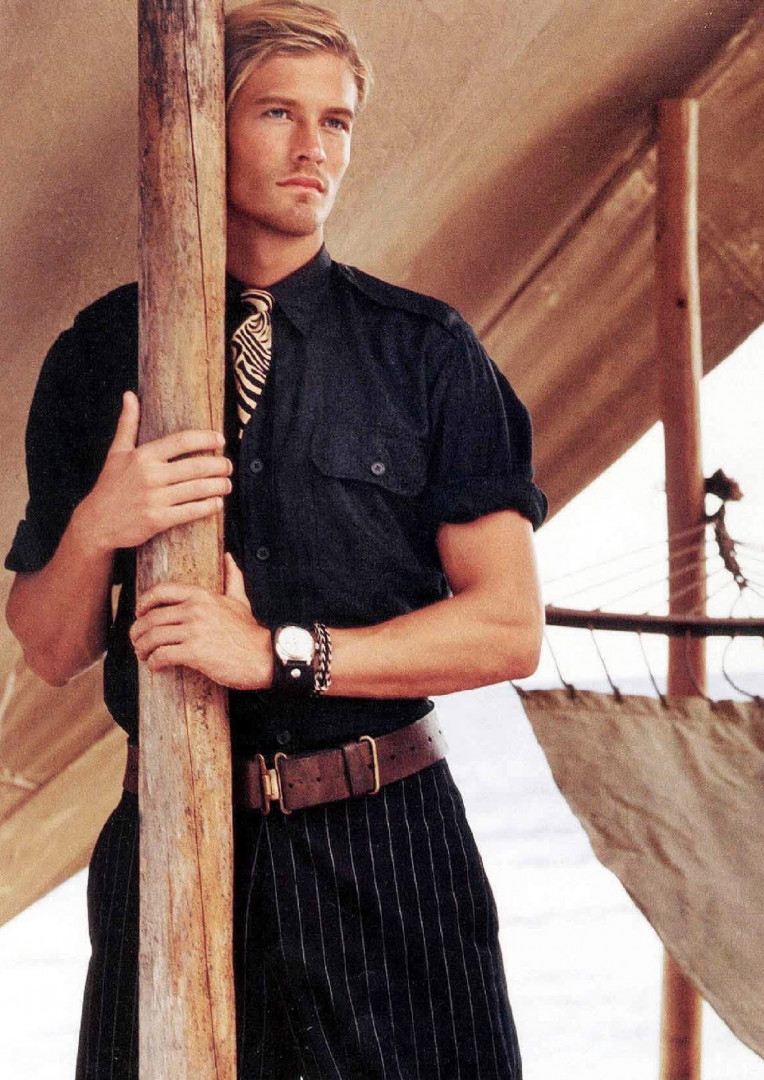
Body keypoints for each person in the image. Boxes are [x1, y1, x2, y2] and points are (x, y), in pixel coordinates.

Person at [5, 2, 547, 1076]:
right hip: (167, 834)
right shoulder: (99, 353)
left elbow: (506, 628)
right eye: (277, 114)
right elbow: (51, 647)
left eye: (336, 121)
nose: (315, 149)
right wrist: (100, 529)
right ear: (203, 126)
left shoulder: (425, 352)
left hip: (388, 845)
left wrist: (275, 652)